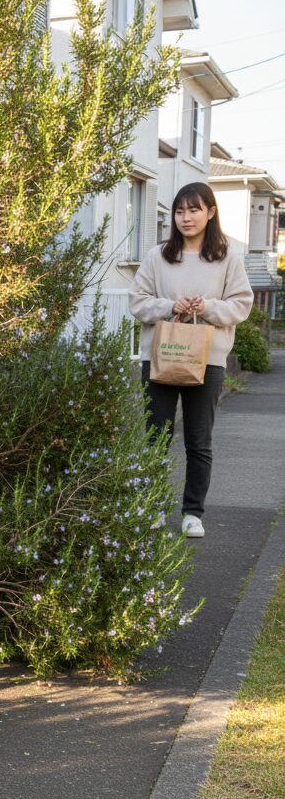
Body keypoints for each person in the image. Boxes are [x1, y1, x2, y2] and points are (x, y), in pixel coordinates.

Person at [129, 181, 253, 539]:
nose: (186, 217)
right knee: (156, 437)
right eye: (180, 211)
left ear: (210, 212)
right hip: (161, 357)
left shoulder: (227, 257)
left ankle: (192, 513)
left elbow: (241, 305)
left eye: (194, 209)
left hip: (208, 360)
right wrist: (170, 305)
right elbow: (137, 301)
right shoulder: (159, 256)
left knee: (199, 440)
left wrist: (207, 307)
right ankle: (150, 506)